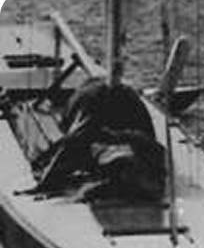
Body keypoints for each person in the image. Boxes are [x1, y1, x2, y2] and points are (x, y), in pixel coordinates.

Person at [18, 78, 165, 201]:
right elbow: (67, 148)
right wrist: (44, 185)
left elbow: (156, 155)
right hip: (90, 100)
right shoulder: (85, 134)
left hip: (121, 114)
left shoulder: (145, 146)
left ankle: (123, 166)